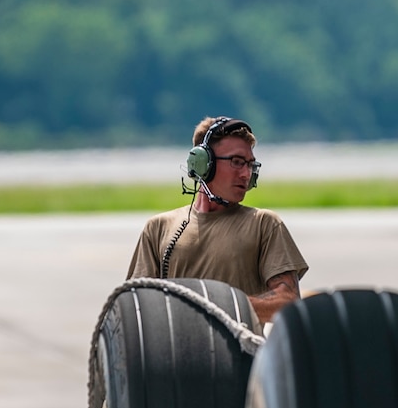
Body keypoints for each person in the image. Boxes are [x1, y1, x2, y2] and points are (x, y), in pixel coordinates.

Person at [127, 116, 307, 323]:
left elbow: (287, 301)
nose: (246, 174)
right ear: (203, 164)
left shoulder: (264, 224)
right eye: (237, 162)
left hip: (240, 354)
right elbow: (135, 308)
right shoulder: (159, 228)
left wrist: (216, 307)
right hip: (175, 354)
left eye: (250, 165)